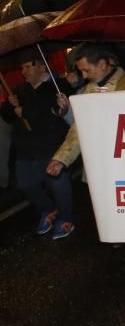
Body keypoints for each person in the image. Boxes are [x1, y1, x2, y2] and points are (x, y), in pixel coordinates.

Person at [47, 45, 125, 238]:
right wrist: (61, 158)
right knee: (106, 205)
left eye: (86, 70)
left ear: (103, 64)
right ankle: (117, 235)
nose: (83, 75)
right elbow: (78, 128)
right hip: (99, 163)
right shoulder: (88, 91)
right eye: (81, 70)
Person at [0, 54, 73, 239]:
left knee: (57, 185)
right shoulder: (19, 89)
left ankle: (65, 218)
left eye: (27, 67)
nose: (24, 72)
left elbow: (57, 116)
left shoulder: (58, 87)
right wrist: (10, 106)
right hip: (25, 148)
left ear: (42, 66)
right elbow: (8, 116)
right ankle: (48, 210)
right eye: (22, 68)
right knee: (26, 185)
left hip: (51, 146)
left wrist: (26, 112)